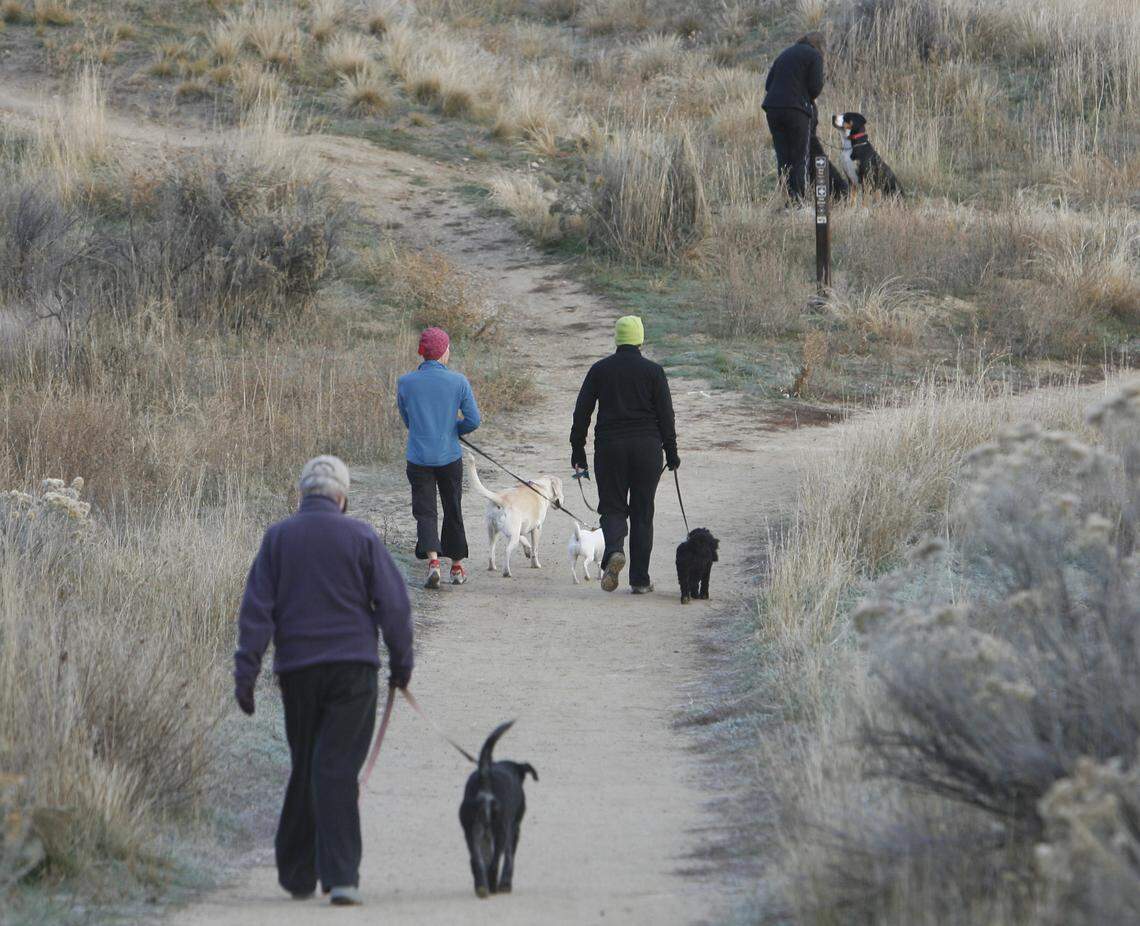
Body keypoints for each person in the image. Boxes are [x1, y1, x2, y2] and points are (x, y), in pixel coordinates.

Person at [234, 455, 414, 908]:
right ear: (342, 496)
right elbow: (394, 604)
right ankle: (340, 876)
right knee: (334, 768)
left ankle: (297, 872)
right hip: (354, 671)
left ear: (303, 494)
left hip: (298, 672)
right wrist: (402, 664)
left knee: (307, 765)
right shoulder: (360, 535)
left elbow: (257, 611)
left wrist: (246, 672)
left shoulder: (278, 538)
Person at [570, 316, 679, 595]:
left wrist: (578, 449)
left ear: (617, 339)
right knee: (643, 512)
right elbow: (666, 416)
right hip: (647, 449)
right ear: (640, 340)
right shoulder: (654, 372)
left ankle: (614, 552)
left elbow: (582, 412)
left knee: (613, 507)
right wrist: (672, 451)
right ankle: (640, 580)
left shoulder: (600, 370)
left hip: (610, 449)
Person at [397, 326, 481, 589]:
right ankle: (456, 567)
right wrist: (455, 429)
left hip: (419, 456)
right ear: (444, 351)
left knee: (425, 511)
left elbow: (407, 418)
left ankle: (433, 562)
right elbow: (473, 420)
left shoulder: (406, 382)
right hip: (449, 456)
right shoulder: (458, 381)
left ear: (423, 353)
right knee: (452, 508)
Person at [762, 32, 846, 201]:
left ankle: (789, 199)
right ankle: (799, 200)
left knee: (783, 157)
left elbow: (768, 84)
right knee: (801, 156)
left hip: (772, 108)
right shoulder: (814, 55)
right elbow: (815, 88)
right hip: (796, 110)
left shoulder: (785, 53)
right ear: (820, 46)